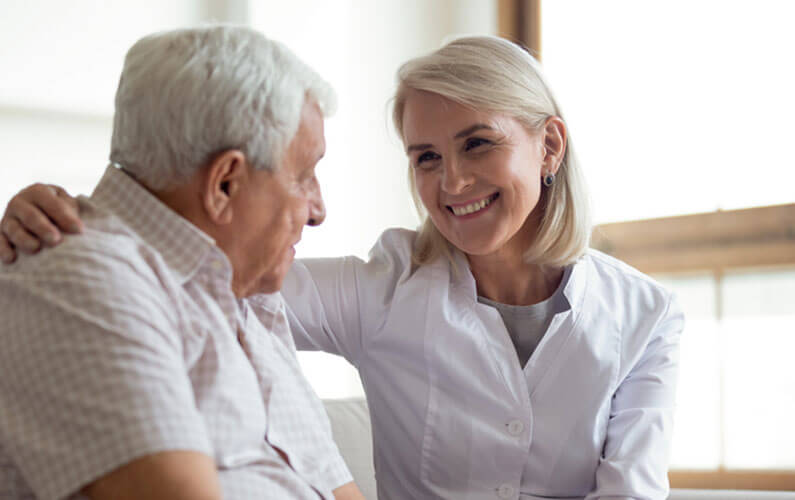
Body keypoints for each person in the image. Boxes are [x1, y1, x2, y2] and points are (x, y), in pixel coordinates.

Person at [1, 36, 684, 500]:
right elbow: (178, 257)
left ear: (548, 146)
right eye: (425, 157)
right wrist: (64, 217)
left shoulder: (647, 316)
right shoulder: (356, 289)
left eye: (478, 144)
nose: (451, 182)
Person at [0, 26, 364, 500]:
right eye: (304, 176)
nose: (317, 211)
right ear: (225, 184)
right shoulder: (76, 278)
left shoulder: (248, 296)